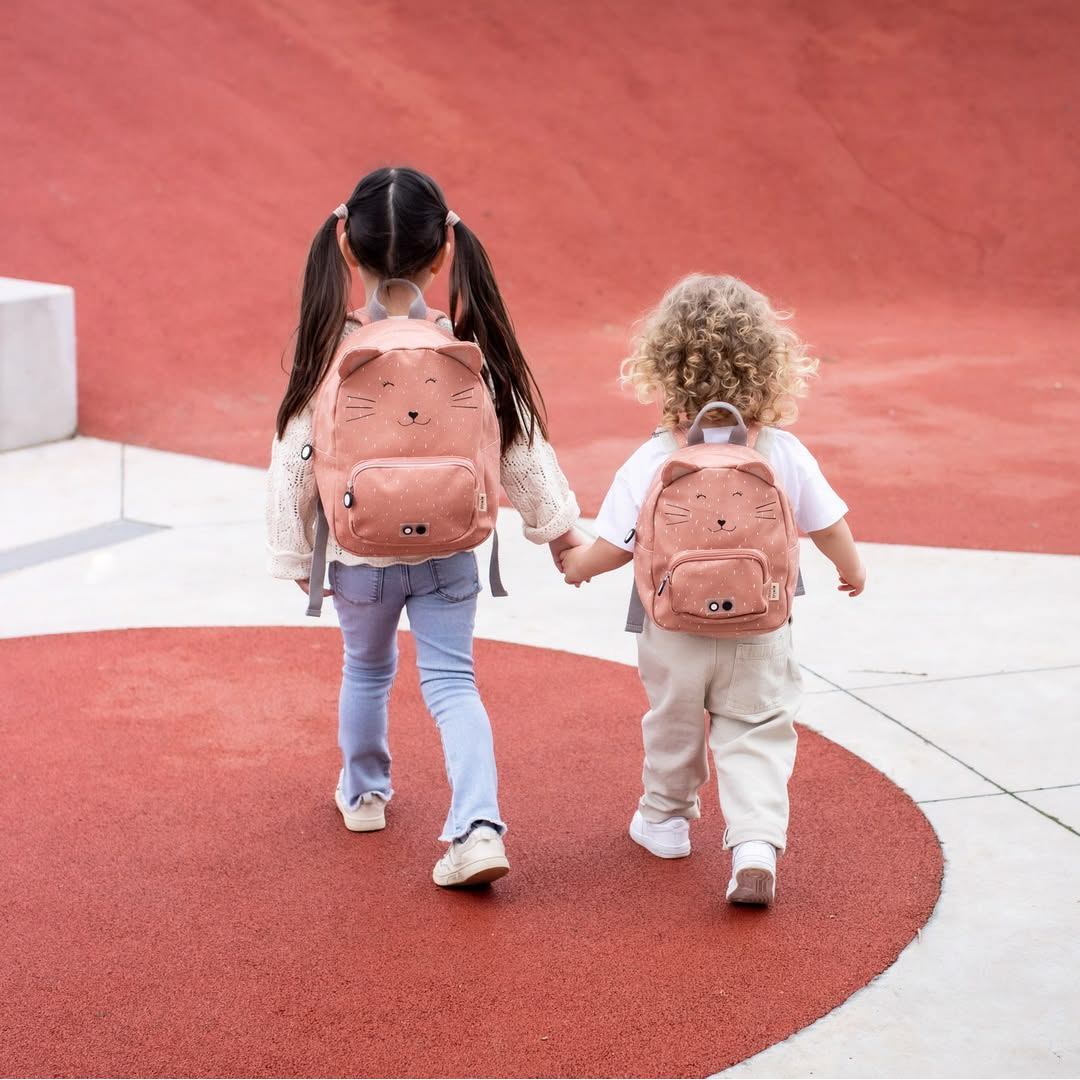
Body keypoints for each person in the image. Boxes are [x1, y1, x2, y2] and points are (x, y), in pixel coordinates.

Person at [267, 166, 584, 887]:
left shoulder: (330, 350)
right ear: (445, 250)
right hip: (450, 551)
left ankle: (366, 793)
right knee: (452, 682)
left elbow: (294, 455)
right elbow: (519, 444)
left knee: (368, 671)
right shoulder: (462, 347)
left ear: (346, 249)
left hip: (358, 554)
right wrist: (559, 529)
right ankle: (477, 825)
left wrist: (293, 554)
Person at [560, 274, 865, 905]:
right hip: (761, 625)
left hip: (672, 628)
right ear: (769, 366)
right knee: (756, 727)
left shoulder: (654, 458)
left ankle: (665, 821)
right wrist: (851, 566)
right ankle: (754, 842)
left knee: (673, 720)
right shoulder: (781, 450)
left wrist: (576, 566)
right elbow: (827, 523)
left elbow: (616, 546)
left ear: (662, 366)